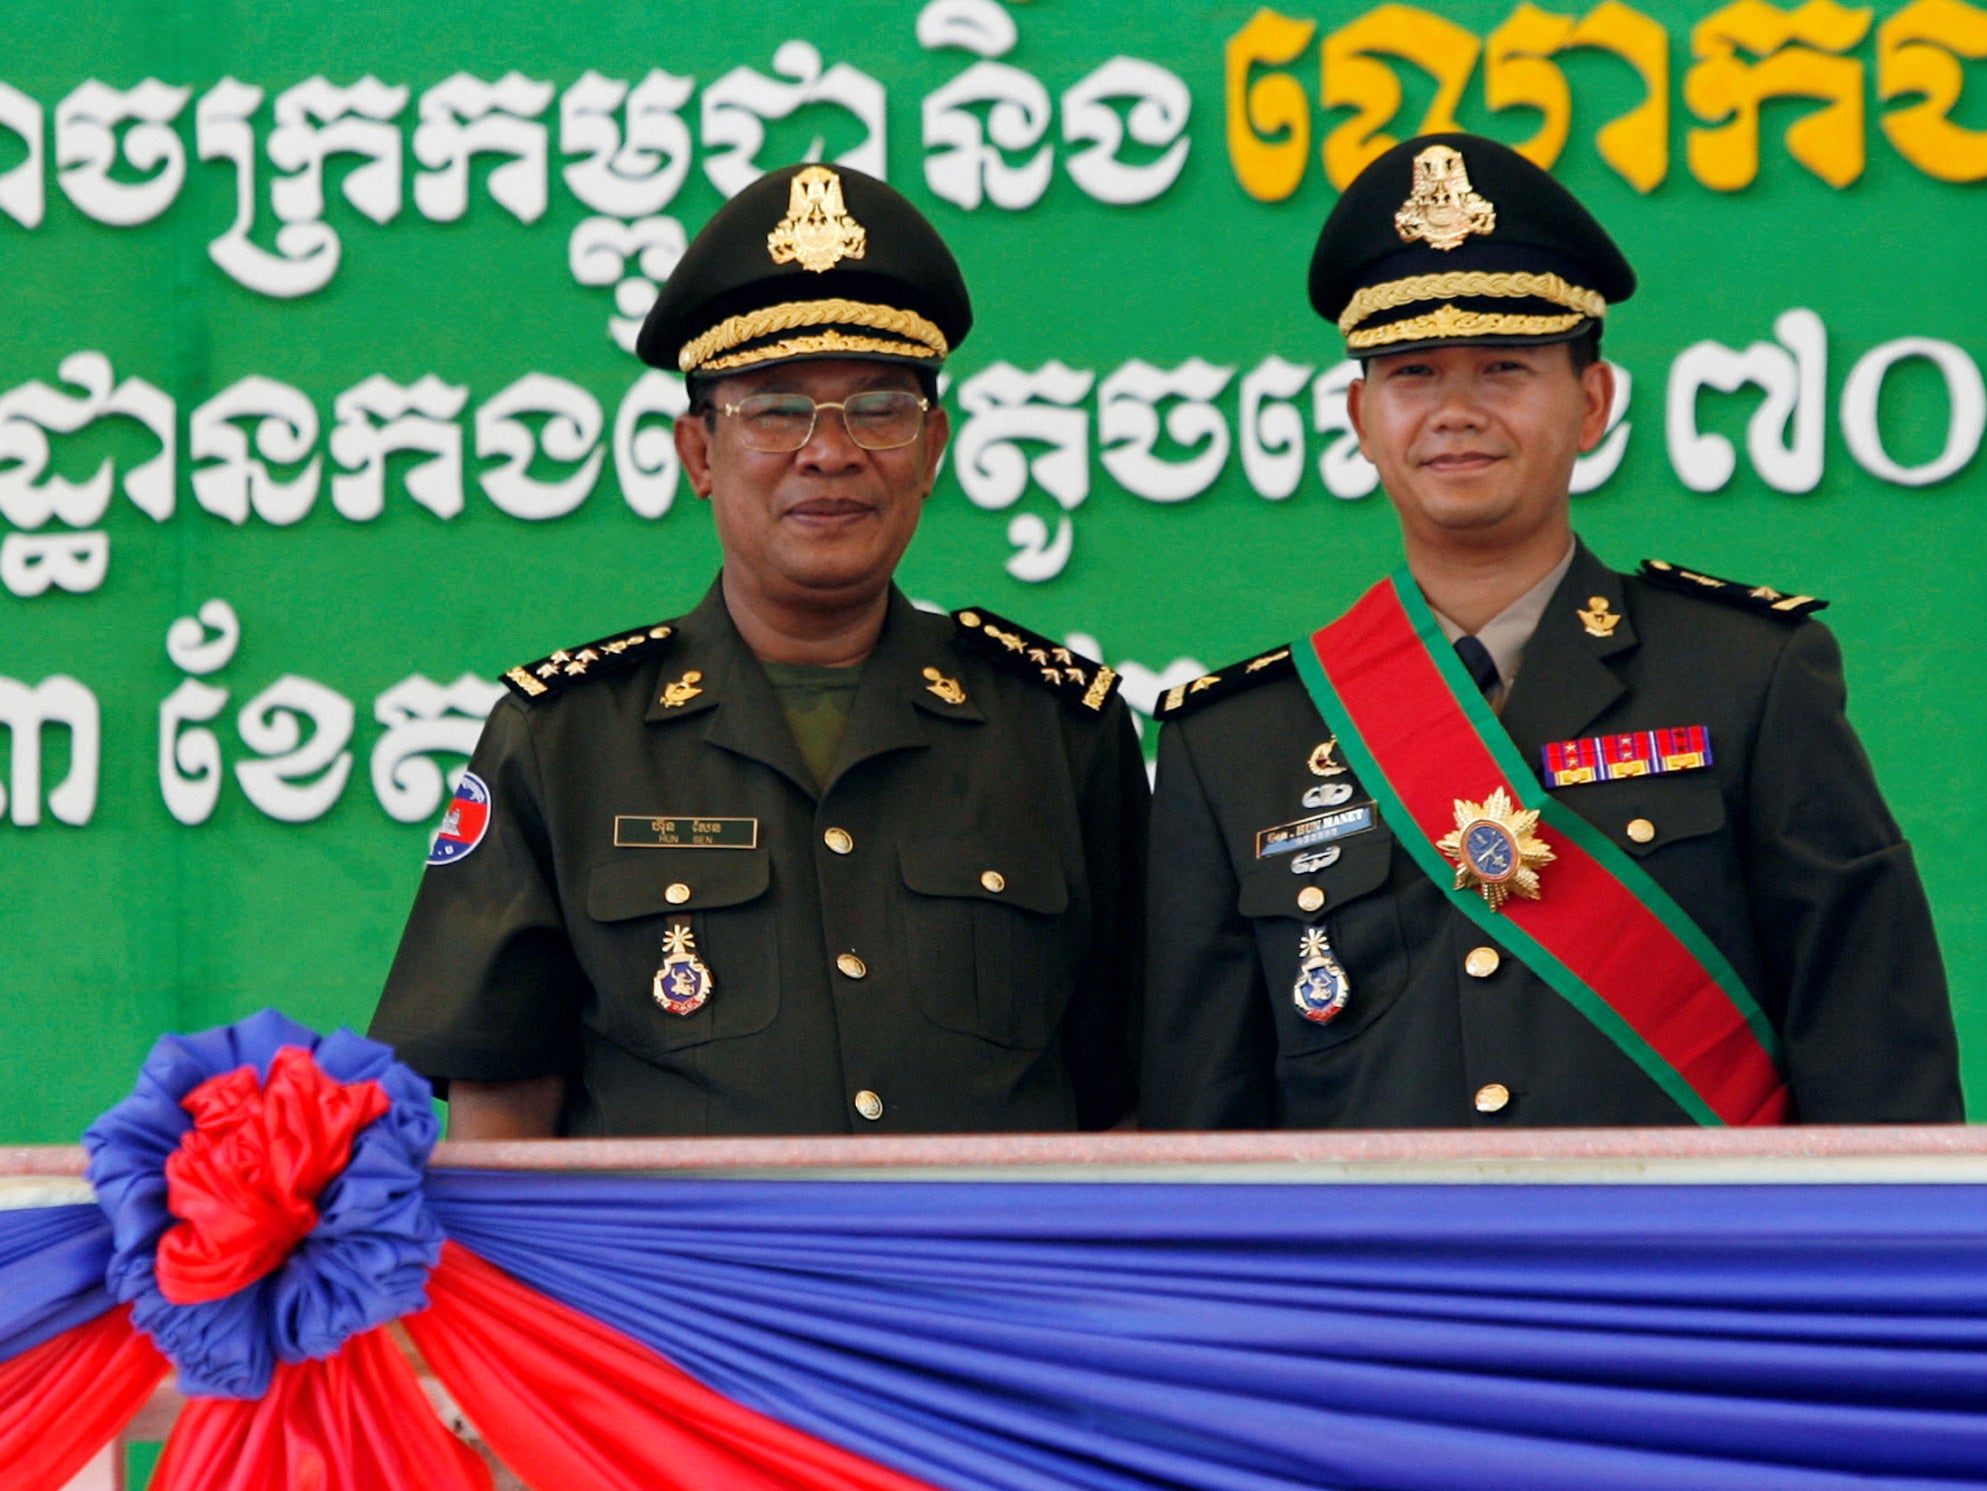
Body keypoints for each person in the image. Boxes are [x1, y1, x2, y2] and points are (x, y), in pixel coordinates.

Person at [1141, 133, 1961, 1128]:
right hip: (1376, 1286)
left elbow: (1875, 1059)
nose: (1454, 411)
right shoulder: (1234, 744)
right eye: (1412, 373)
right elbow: (1204, 1132)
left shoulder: (1749, 674)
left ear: (1591, 402)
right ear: (1359, 418)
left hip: (1683, 1270)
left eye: (1502, 368)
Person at [371, 163, 1145, 1137]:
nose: (830, 452)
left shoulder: (1057, 730)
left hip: (991, 1289)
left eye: (878, 409)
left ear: (934, 446)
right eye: (776, 410)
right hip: (658, 1295)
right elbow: (501, 1118)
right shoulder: (566, 739)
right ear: (698, 452)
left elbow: (1131, 1101)